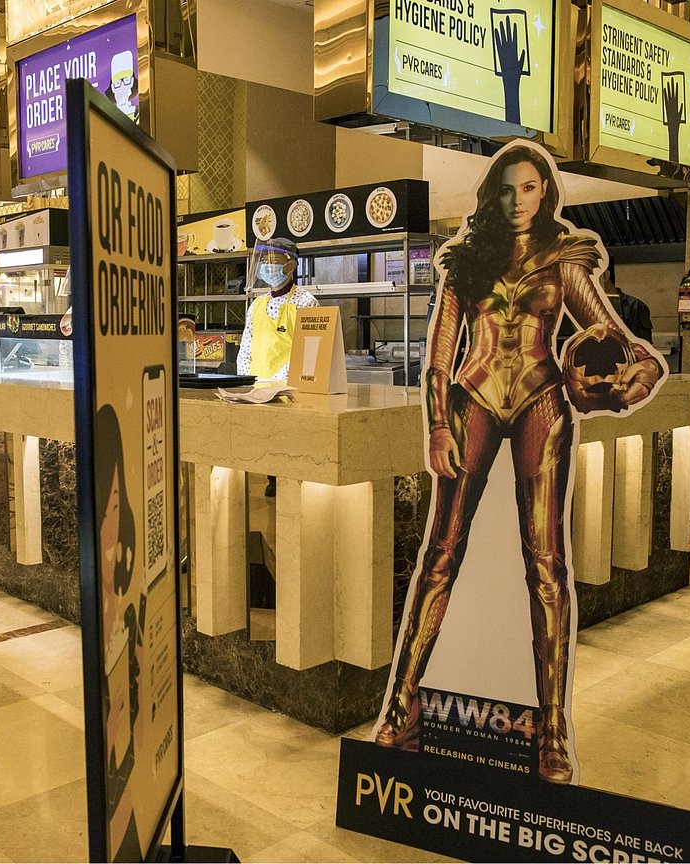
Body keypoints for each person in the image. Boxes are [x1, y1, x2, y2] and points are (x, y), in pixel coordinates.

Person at [374, 143, 664, 784]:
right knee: (440, 553)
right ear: (492, 195)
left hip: (541, 399)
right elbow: (440, 355)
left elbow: (618, 338)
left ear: (544, 192)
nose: (517, 200)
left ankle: (552, 731)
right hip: (473, 396)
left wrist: (637, 377)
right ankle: (402, 706)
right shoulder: (465, 261)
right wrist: (436, 425)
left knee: (547, 564)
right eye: (507, 189)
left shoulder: (564, 259)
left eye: (528, 188)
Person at [95, 404, 144, 862]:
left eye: (116, 505)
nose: (111, 527)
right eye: (104, 510)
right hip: (119, 808)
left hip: (132, 806)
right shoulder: (109, 610)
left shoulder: (128, 612)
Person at [236, 238, 318, 382]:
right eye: (264, 261)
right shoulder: (256, 305)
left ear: (291, 265)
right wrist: (248, 381)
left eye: (274, 261)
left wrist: (272, 384)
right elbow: (245, 351)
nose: (267, 266)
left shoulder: (306, 303)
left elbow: (305, 353)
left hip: (287, 389)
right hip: (255, 389)